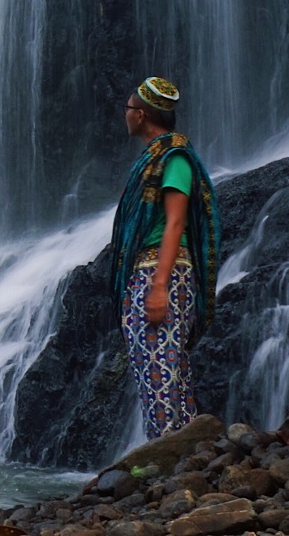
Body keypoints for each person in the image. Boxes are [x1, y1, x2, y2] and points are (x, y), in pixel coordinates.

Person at [105, 76, 221, 440]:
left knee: (160, 369)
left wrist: (159, 287)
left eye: (127, 109)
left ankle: (166, 450)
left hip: (164, 274)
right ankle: (184, 450)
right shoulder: (153, 158)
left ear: (140, 115)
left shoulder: (175, 160)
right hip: (147, 272)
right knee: (160, 366)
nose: (125, 115)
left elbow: (175, 222)